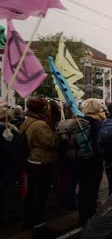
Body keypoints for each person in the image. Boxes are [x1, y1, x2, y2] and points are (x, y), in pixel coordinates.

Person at [20, 97, 59, 229]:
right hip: (42, 161)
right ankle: (38, 222)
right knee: (41, 193)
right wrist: (59, 135)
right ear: (42, 108)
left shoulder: (29, 120)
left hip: (32, 160)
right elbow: (50, 143)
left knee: (32, 192)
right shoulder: (40, 124)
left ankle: (29, 219)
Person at [77, 98, 106, 225]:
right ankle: (90, 213)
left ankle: (82, 214)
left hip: (81, 158)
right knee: (93, 187)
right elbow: (100, 143)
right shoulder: (98, 122)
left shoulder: (79, 121)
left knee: (83, 187)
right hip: (94, 159)